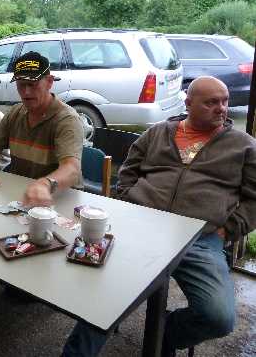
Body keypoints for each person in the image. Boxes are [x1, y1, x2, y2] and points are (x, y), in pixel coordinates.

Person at [62, 76, 256, 356]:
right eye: (211, 102)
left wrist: (229, 229)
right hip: (142, 227)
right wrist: (128, 203)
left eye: (225, 101)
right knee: (105, 297)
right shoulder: (158, 133)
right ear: (189, 103)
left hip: (199, 239)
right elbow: (128, 170)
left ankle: (165, 332)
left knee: (218, 317)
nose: (222, 108)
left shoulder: (243, 146)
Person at [0, 51, 84, 207]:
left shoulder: (67, 120)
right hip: (22, 196)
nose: (26, 92)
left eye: (32, 84)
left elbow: (72, 169)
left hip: (62, 201)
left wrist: (45, 184)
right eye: (21, 84)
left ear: (49, 82)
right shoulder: (15, 113)